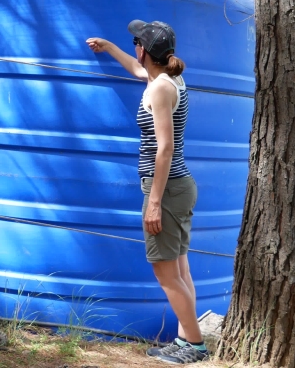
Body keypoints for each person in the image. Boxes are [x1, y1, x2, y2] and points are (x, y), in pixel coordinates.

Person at [87, 20, 207, 364]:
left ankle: (195, 347)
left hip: (166, 190)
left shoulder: (160, 89)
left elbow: (164, 148)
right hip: (178, 188)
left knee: (165, 273)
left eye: (135, 43)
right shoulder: (167, 78)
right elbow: (139, 70)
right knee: (180, 271)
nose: (134, 48)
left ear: (144, 50)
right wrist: (110, 47)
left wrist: (153, 202)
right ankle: (185, 340)